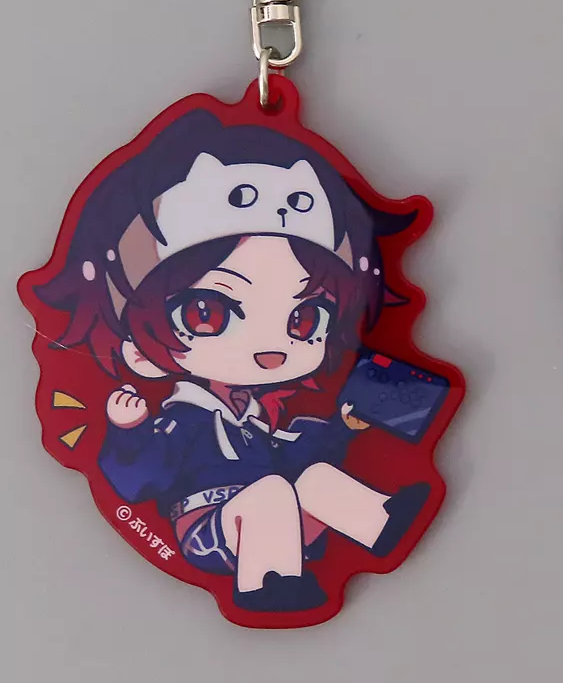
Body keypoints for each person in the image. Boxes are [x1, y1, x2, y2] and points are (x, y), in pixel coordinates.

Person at [34, 109, 430, 611]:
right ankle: (268, 586)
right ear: (139, 348)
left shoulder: (253, 419)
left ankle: (381, 524)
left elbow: (297, 455)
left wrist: (343, 429)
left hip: (277, 520)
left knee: (310, 480)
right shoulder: (183, 419)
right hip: (210, 530)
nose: (271, 347)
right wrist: (128, 429)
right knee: (271, 492)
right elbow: (137, 480)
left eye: (305, 318)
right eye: (209, 313)